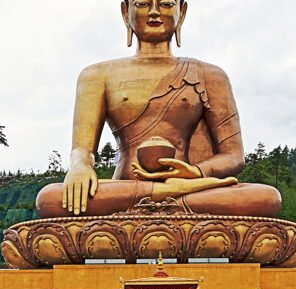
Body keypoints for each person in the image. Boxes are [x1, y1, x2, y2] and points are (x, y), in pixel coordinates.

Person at [36, 0, 281, 218]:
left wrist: (195, 172)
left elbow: (233, 156)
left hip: (189, 188)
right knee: (50, 198)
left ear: (182, 11)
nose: (154, 12)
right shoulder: (97, 75)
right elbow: (82, 149)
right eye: (142, 4)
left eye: (165, 4)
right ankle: (165, 193)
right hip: (128, 188)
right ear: (125, 11)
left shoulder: (210, 75)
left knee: (266, 198)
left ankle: (165, 194)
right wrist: (80, 166)